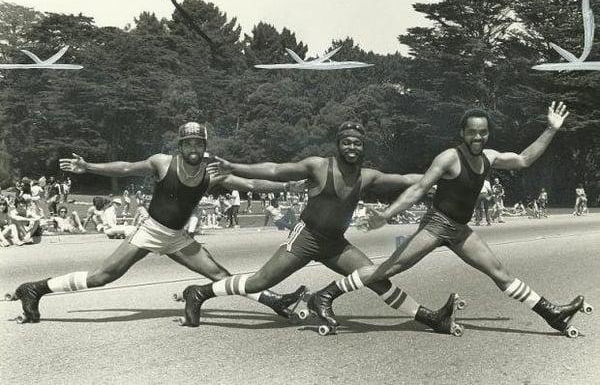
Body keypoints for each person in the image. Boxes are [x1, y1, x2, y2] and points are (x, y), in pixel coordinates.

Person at [309, 102, 586, 337]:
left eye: (483, 132)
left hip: (460, 230)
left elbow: (524, 159)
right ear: (463, 133)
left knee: (500, 273)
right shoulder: (449, 158)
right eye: (472, 133)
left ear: (488, 133)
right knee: (388, 269)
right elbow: (417, 189)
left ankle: (553, 315)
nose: (478, 138)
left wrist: (551, 129)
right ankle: (325, 295)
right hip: (436, 224)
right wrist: (386, 215)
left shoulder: (490, 158)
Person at [8, 122, 304, 324]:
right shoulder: (162, 162)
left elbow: (251, 183)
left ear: (204, 145)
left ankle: (273, 301)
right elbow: (125, 168)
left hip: (178, 237)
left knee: (220, 275)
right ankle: (35, 289)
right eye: (187, 143)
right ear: (180, 145)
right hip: (150, 230)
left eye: (198, 143)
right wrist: (88, 167)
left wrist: (284, 187)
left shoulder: (213, 171)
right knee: (101, 277)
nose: (193, 148)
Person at [178, 121, 457, 333]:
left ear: (363, 147)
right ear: (338, 144)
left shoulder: (367, 176)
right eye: (346, 142)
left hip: (335, 244)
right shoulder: (318, 166)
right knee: (259, 282)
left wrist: (442, 176)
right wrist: (234, 166)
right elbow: (275, 169)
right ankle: (200, 293)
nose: (352, 147)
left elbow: (405, 178)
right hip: (305, 238)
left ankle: (430, 318)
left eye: (357, 144)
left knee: (376, 277)